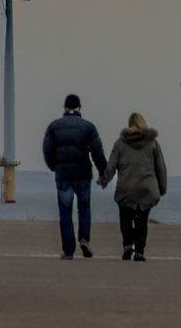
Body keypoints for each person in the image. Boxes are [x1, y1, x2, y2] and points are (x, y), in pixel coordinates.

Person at [42, 93, 107, 259]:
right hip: (83, 174)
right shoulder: (88, 127)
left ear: (64, 108)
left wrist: (54, 167)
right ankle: (84, 238)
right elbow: (97, 152)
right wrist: (103, 172)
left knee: (65, 212)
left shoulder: (53, 127)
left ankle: (69, 250)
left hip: (63, 175)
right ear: (79, 107)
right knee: (84, 208)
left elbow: (47, 150)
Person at [98, 112, 167, 261]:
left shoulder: (120, 143)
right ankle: (140, 251)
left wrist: (104, 180)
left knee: (125, 218)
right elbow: (160, 167)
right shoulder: (153, 143)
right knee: (142, 220)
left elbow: (111, 165)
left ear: (129, 125)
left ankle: (128, 244)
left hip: (126, 187)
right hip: (147, 188)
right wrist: (162, 188)